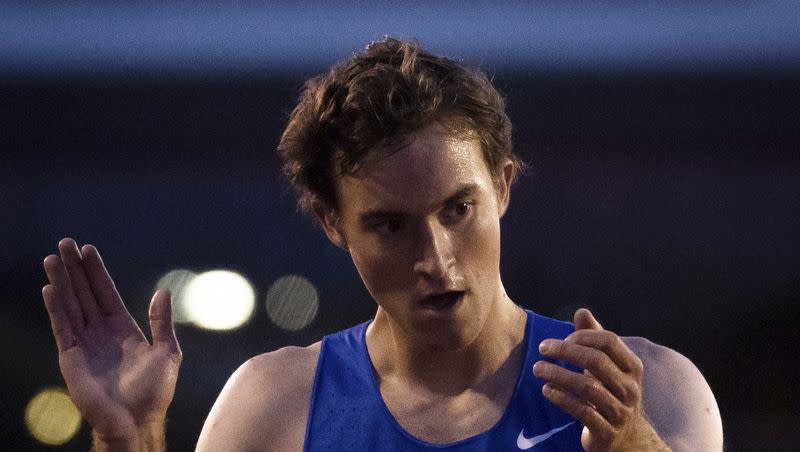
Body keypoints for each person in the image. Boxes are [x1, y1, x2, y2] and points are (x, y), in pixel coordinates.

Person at [42, 37, 723, 451]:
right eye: (391, 225)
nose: (436, 258)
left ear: (504, 188)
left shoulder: (654, 389)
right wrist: (125, 440)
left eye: (459, 209)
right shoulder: (273, 408)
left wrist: (630, 445)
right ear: (333, 224)